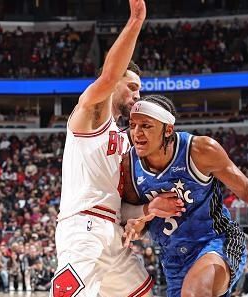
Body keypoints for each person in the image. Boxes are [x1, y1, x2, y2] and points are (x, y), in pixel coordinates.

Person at [51, 1, 184, 297]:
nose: (138, 94)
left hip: (113, 231)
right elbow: (109, 76)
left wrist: (150, 209)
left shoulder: (126, 139)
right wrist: (136, 20)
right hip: (83, 226)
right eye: (133, 86)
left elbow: (121, 206)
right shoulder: (90, 115)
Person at [122, 95, 248, 297]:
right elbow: (137, 219)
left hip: (216, 241)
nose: (137, 133)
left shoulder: (200, 150)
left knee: (194, 292)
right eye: (132, 125)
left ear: (168, 130)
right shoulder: (129, 164)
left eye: (146, 125)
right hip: (173, 259)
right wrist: (137, 224)